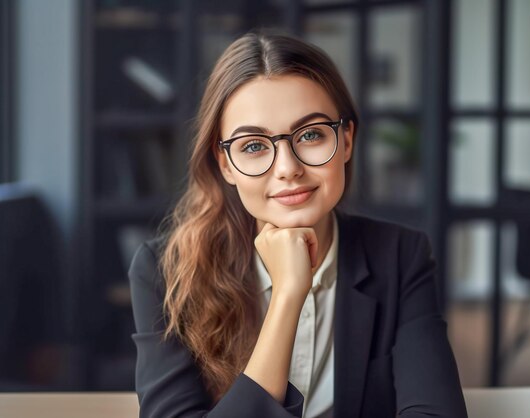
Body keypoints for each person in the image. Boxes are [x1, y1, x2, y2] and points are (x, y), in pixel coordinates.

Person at [129, 31, 467, 418]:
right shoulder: (162, 271)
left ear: (347, 140)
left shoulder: (400, 256)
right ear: (225, 165)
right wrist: (288, 296)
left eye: (310, 135)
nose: (288, 168)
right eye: (254, 145)